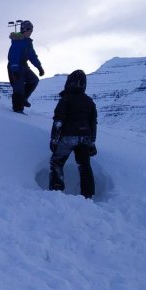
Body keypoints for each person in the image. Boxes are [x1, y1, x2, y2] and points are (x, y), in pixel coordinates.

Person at [48, 69, 97, 199]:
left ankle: (56, 192)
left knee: (57, 162)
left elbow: (58, 121)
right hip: (85, 138)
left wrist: (54, 139)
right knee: (84, 165)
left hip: (67, 137)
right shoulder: (89, 102)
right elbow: (93, 124)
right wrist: (92, 142)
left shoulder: (65, 99)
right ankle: (88, 195)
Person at [7, 19, 44, 113]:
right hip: (14, 66)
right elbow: (13, 56)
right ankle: (18, 110)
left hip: (24, 65)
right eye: (29, 31)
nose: (30, 33)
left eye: (31, 31)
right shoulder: (17, 41)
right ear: (25, 30)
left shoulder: (28, 42)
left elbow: (32, 55)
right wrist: (14, 70)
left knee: (34, 80)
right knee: (18, 87)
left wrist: (39, 66)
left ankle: (23, 99)